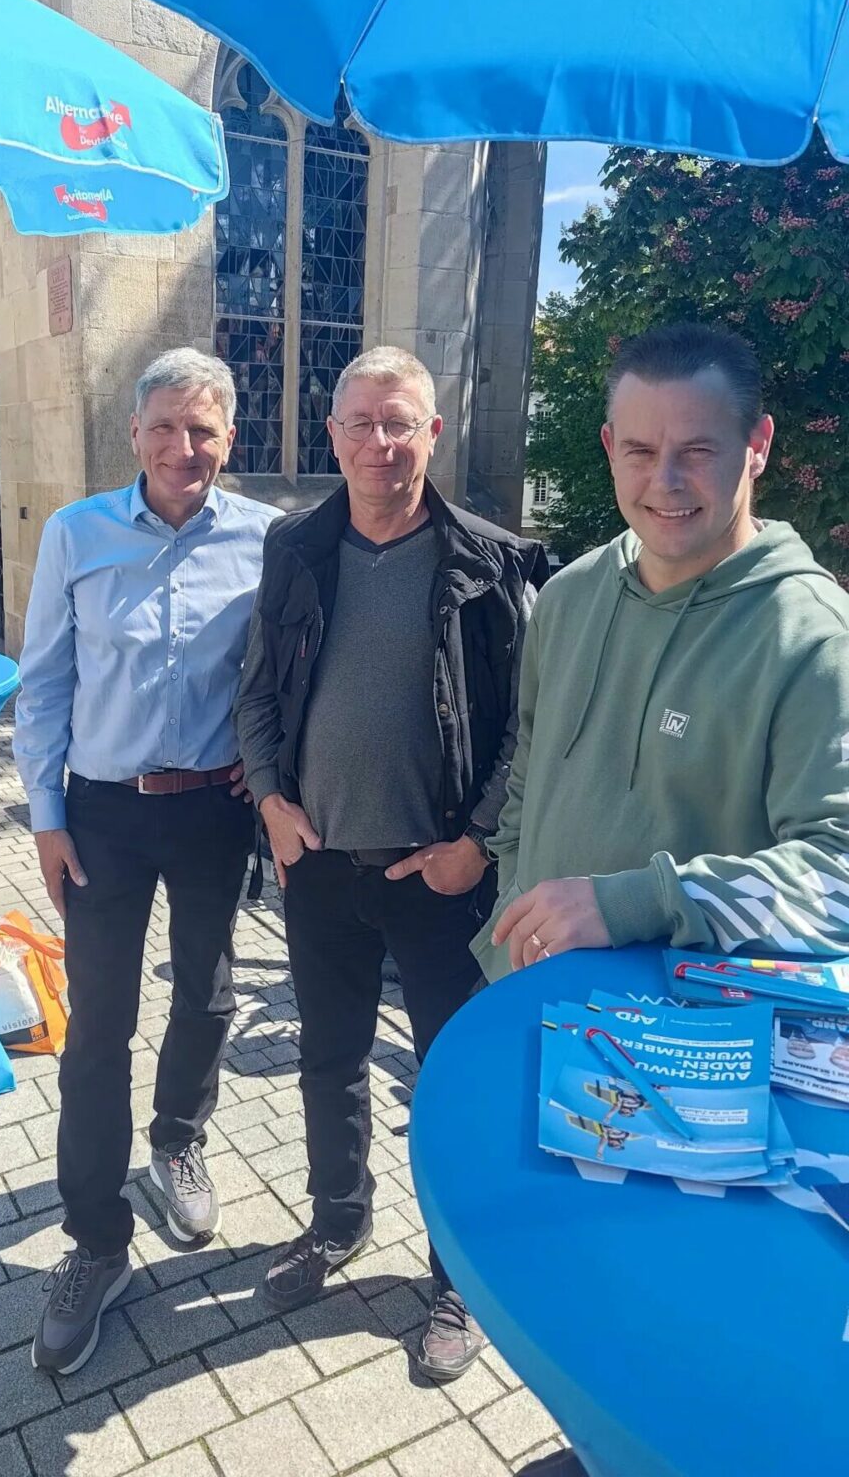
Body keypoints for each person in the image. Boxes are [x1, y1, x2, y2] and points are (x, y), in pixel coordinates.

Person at [235, 345, 548, 1381]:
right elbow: (257, 691)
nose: (380, 442)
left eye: (399, 422)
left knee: (452, 1081)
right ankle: (337, 1221)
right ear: (333, 436)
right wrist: (272, 803)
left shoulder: (488, 562)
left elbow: (525, 727)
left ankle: (460, 1276)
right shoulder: (295, 547)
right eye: (361, 423)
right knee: (327, 1058)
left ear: (433, 433)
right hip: (319, 865)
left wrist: (477, 843)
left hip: (440, 877)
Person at [15, 347, 279, 1377]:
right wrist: (46, 817)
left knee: (208, 993)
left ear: (229, 438)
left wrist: (269, 766)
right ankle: (94, 1239)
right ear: (133, 433)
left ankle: (177, 1140)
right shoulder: (75, 534)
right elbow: (44, 685)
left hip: (214, 807)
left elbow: (279, 677)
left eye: (202, 429)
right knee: (99, 1026)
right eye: (164, 426)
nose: (183, 447)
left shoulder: (266, 539)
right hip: (103, 815)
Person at [475, 321, 849, 985]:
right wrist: (512, 906)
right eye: (641, 451)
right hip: (532, 988)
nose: (665, 481)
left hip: (691, 1030)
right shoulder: (566, 597)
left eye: (698, 450)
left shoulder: (813, 639)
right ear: (610, 448)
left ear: (757, 446)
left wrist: (635, 903)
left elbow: (838, 879)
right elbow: (530, 777)